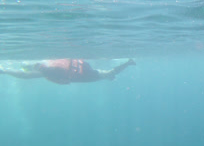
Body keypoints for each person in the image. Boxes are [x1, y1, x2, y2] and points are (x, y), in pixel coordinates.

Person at [0, 59, 136, 85]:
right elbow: (113, 71)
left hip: (63, 70)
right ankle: (5, 70)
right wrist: (127, 63)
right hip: (62, 72)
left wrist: (127, 63)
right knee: (29, 74)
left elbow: (113, 71)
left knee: (31, 72)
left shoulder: (96, 75)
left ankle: (6, 69)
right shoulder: (97, 75)